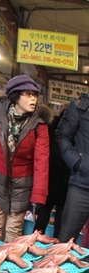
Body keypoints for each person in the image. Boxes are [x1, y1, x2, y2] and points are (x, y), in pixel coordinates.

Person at [0, 75, 50, 242]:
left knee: (13, 230)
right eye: (28, 94)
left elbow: (42, 161)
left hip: (23, 183)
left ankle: (7, 267)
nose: (33, 98)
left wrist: (39, 195)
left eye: (35, 95)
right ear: (16, 96)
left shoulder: (40, 123)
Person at [57, 92, 89, 243]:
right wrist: (77, 163)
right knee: (66, 240)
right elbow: (62, 135)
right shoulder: (79, 107)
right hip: (81, 187)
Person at [35, 110, 69, 238]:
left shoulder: (50, 128)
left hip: (48, 179)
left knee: (42, 219)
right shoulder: (73, 132)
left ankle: (34, 243)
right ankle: (56, 248)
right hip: (62, 182)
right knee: (59, 222)